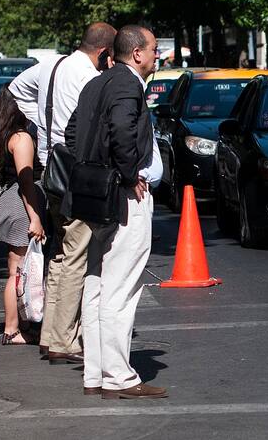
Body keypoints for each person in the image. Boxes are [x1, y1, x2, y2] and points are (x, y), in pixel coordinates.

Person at [66, 25, 165, 399]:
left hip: (97, 196)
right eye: (154, 49)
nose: (158, 56)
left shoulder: (97, 83)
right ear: (137, 53)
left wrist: (94, 170)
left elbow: (73, 132)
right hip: (124, 196)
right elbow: (123, 131)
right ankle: (118, 377)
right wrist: (126, 175)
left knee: (97, 281)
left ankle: (96, 374)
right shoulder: (126, 85)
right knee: (120, 287)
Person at [9, 22, 117, 364]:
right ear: (103, 53)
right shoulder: (90, 79)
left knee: (60, 251)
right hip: (77, 172)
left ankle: (51, 333)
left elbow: (16, 89)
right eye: (110, 56)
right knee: (77, 255)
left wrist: (42, 122)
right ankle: (64, 339)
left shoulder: (52, 66)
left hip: (50, 168)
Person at [0, 86, 46, 345]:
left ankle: (16, 326)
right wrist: (35, 217)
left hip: (9, 203)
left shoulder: (0, 134)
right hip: (20, 207)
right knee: (18, 271)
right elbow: (26, 180)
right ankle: (13, 328)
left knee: (16, 270)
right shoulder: (21, 138)